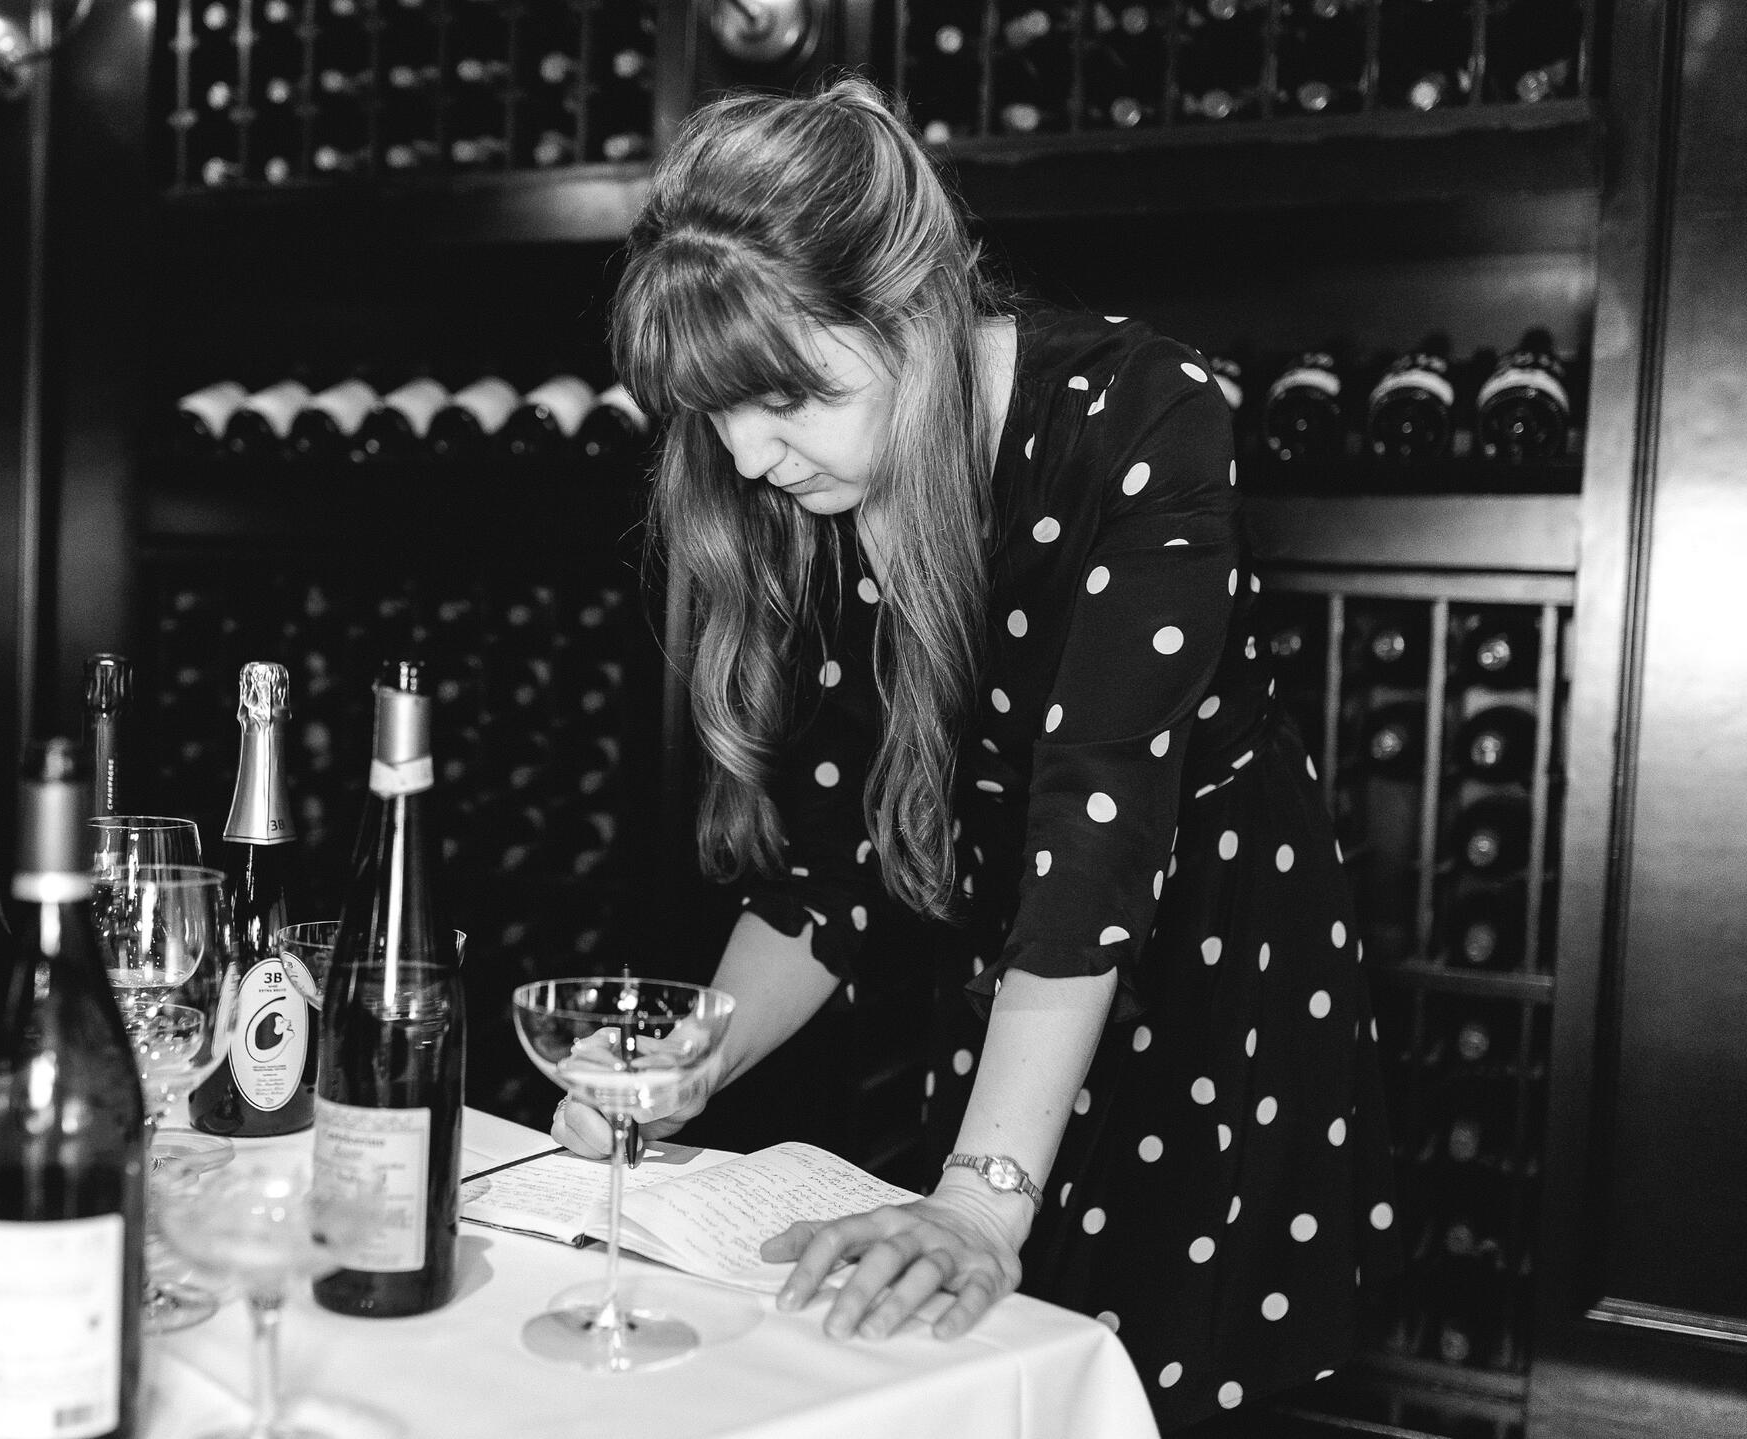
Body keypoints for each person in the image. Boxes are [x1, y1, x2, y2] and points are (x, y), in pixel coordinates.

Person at [550, 77, 1401, 1431]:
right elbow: (831, 886)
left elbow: (1102, 821)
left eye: (786, 396)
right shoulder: (812, 495)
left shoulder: (1139, 416)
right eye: (713, 411)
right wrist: (695, 1062)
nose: (750, 456)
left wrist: (981, 1191)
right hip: (1011, 999)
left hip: (1199, 979)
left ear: (916, 310)